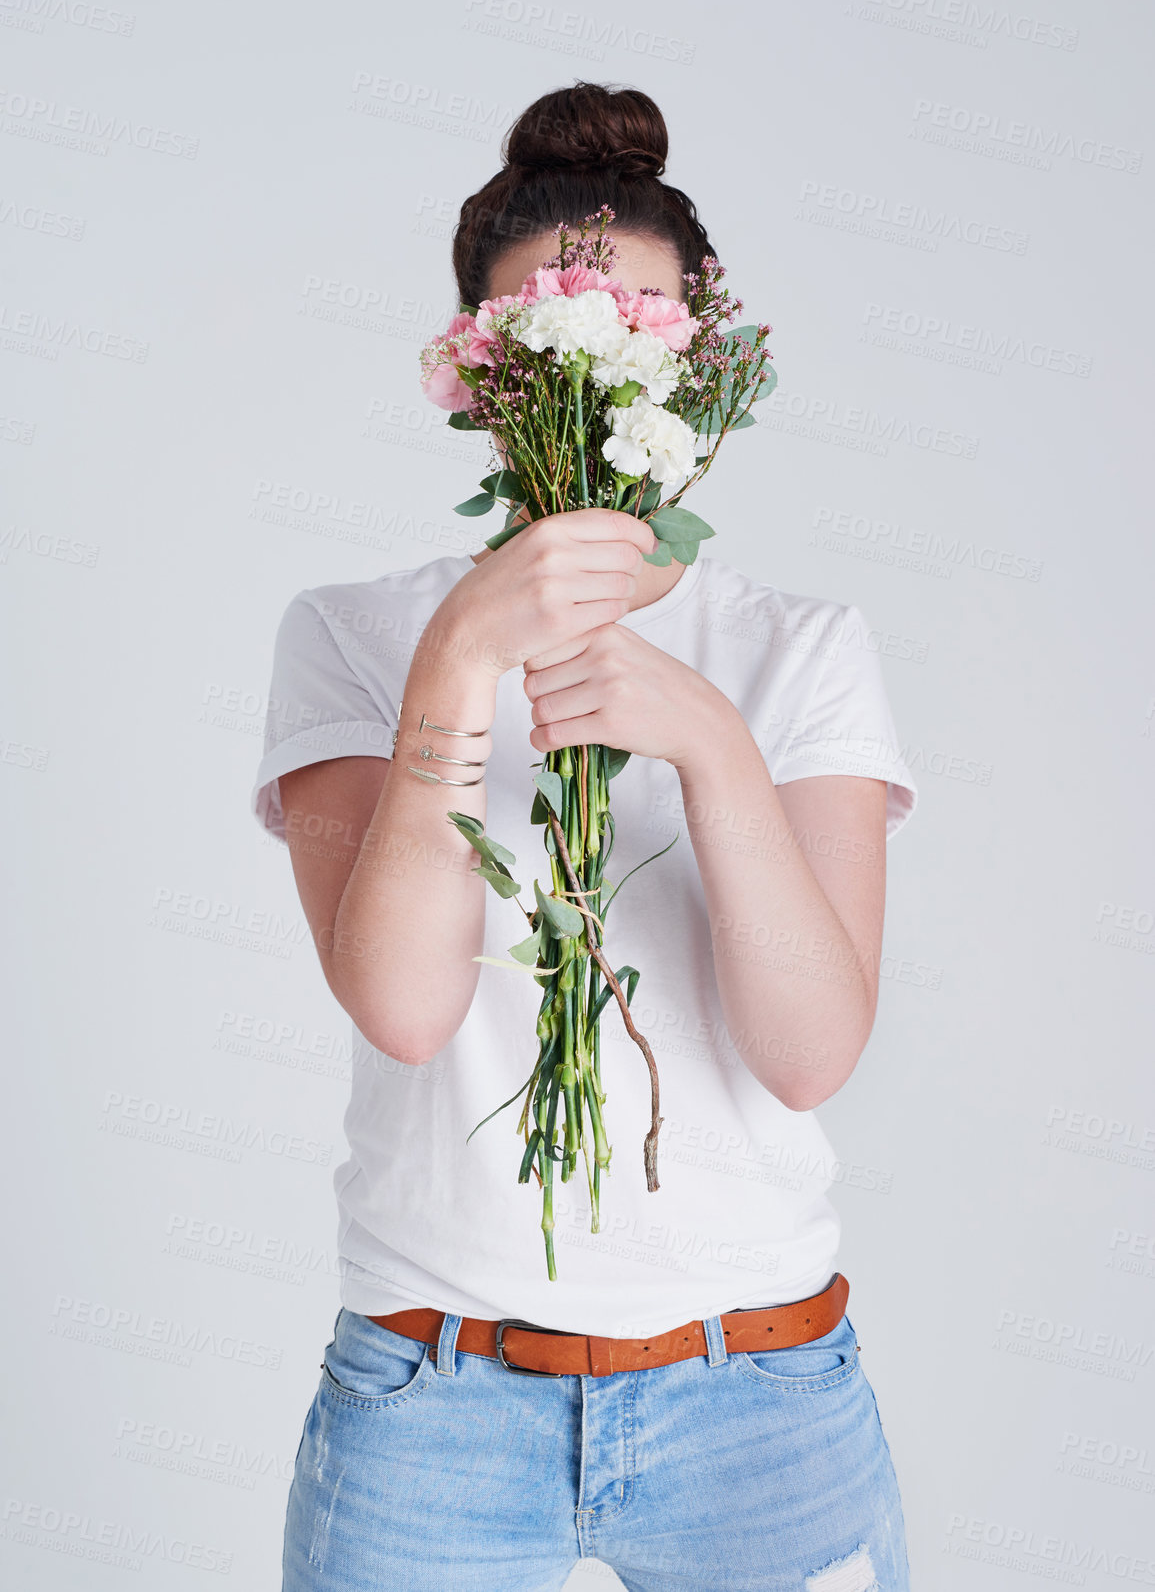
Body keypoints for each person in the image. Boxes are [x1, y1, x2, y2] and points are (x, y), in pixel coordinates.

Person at [252, 81, 919, 1592]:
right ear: (478, 375)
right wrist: (460, 658)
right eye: (548, 323)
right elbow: (407, 1008)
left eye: (646, 320)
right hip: (432, 1399)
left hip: (761, 1392)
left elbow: (810, 1050)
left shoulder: (800, 647)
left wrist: (706, 738)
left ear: (704, 361)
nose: (601, 347)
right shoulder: (354, 638)